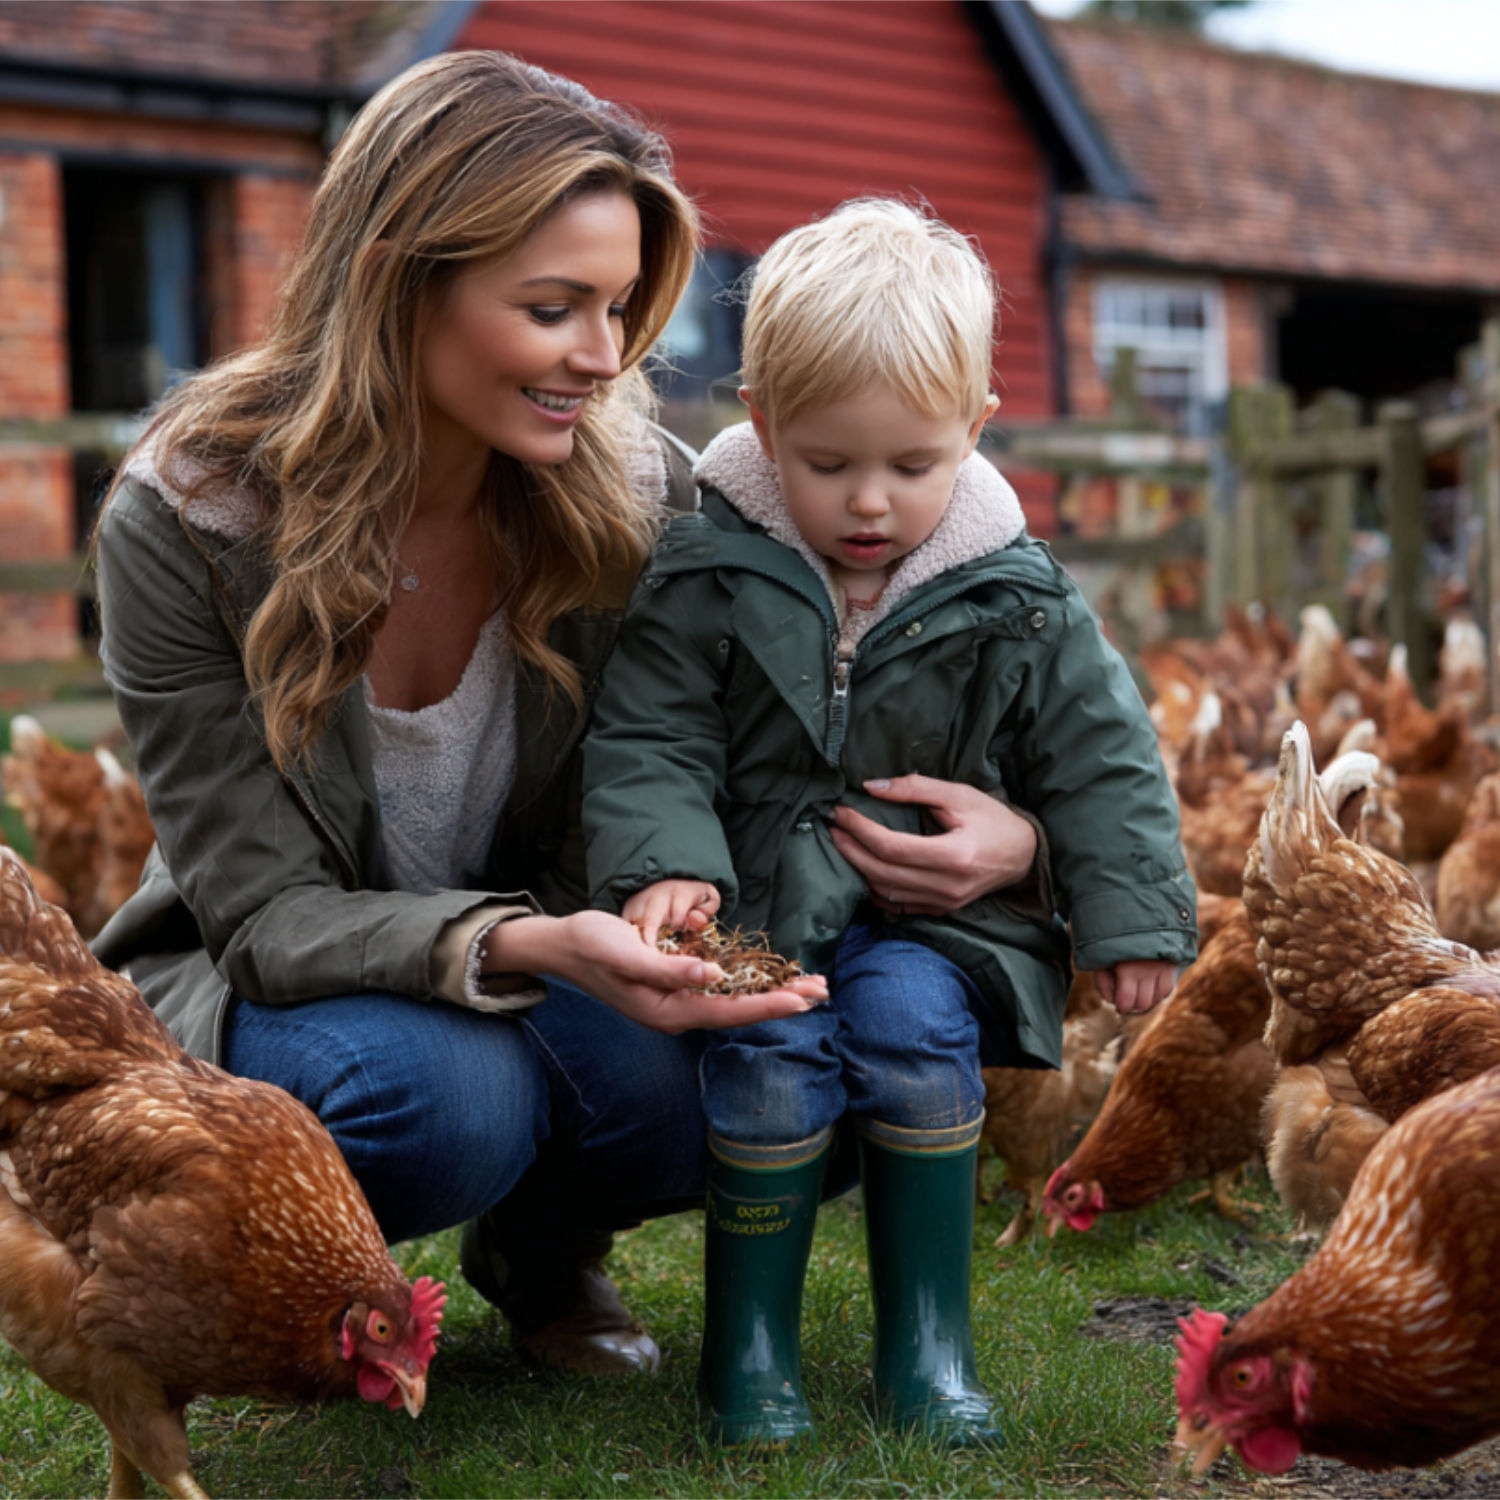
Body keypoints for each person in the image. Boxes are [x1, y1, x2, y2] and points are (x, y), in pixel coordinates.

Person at [87, 50, 838, 1378]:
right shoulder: (190, 517)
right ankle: (233, 1261)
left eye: (618, 308)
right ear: (399, 278)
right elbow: (266, 916)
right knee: (443, 1103)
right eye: (554, 308)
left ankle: (545, 1254)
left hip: (553, 946)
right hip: (289, 971)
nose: (603, 359)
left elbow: (791, 705)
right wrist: (538, 944)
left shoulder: (636, 493)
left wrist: (1011, 836)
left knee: (799, 1065)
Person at [581, 199, 1199, 1445]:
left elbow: (1103, 755)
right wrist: (666, 869)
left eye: (912, 467)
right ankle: (748, 1354)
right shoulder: (709, 572)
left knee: (920, 1035)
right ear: (762, 427)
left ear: (973, 431)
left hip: (937, 928)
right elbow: (652, 736)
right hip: (758, 913)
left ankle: (930, 1345)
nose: (870, 503)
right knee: (767, 1066)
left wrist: (1128, 911)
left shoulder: (1019, 598)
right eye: (828, 464)